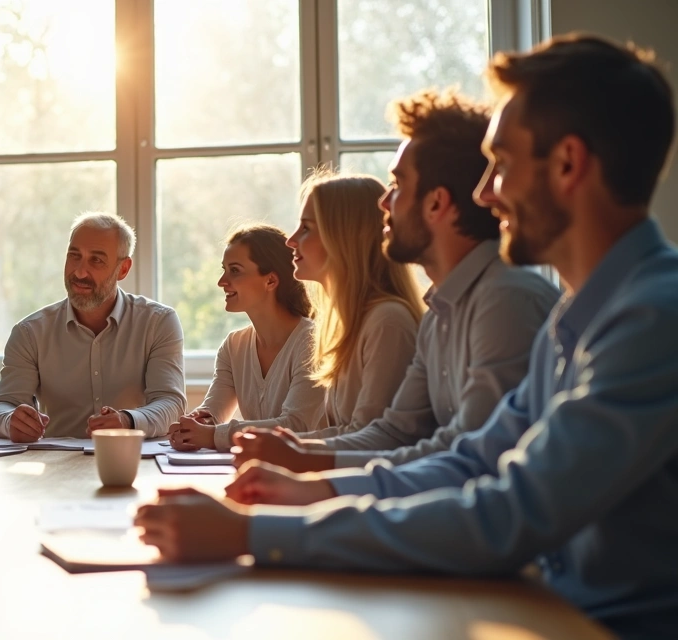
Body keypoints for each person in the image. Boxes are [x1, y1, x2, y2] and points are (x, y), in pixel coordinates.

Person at [136, 34, 678, 638]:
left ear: (569, 164)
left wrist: (253, 533)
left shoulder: (654, 319)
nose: (485, 192)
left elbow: (510, 510)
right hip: (547, 604)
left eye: (501, 164)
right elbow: (469, 456)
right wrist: (308, 489)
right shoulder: (574, 319)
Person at [231, 90, 559, 472]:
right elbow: (396, 431)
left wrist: (309, 470)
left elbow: (470, 459)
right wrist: (298, 456)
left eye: (398, 184)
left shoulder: (505, 301)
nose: (385, 202)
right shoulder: (440, 312)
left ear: (436, 203)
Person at [0, 212, 186, 442]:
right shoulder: (30, 332)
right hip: (57, 470)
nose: (79, 272)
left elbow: (171, 404)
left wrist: (128, 421)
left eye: (96, 260)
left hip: (135, 463)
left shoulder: (158, 323)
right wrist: (11, 421)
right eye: (74, 255)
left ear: (123, 269)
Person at [253, 172, 425, 436]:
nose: (291, 240)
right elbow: (349, 433)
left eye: (307, 228)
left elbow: (373, 438)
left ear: (345, 236)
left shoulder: (387, 322)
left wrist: (287, 448)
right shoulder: (346, 324)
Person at [169, 224, 323, 452]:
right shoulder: (233, 346)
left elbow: (296, 426)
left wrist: (212, 435)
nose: (222, 281)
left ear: (271, 281)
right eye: (224, 269)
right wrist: (195, 425)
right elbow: (214, 411)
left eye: (235, 270)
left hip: (309, 477)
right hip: (259, 472)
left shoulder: (313, 342)